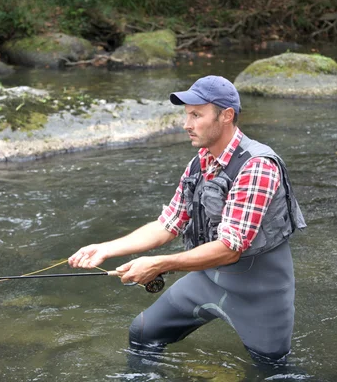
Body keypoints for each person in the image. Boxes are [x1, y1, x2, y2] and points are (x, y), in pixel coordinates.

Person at [68, 75, 306, 365]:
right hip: (209, 278)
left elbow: (230, 248)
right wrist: (106, 249)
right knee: (143, 333)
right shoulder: (199, 162)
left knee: (271, 368)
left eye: (196, 115)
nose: (186, 124)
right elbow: (168, 224)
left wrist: (158, 264)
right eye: (186, 115)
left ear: (226, 115)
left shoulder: (257, 167)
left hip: (259, 290)